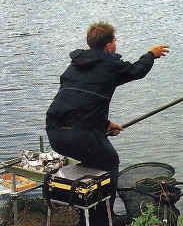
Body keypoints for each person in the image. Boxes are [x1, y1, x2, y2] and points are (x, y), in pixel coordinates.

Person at [45, 21, 169, 225]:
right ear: (109, 45)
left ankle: (86, 218)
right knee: (110, 161)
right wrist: (150, 54)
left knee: (92, 164)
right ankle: (103, 219)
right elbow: (137, 70)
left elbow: (77, 102)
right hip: (81, 134)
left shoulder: (74, 66)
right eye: (115, 40)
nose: (116, 43)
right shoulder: (110, 65)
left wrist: (102, 125)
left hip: (55, 134)